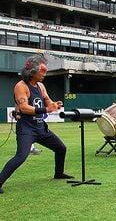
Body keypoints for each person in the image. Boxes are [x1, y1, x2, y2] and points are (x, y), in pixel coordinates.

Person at [0, 55, 73, 194]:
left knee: (61, 148)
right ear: (32, 72)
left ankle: (59, 173)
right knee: (21, 156)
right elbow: (24, 108)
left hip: (40, 127)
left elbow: (47, 101)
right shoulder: (21, 86)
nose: (44, 74)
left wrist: (54, 104)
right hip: (26, 128)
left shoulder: (40, 85)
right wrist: (46, 109)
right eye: (42, 71)